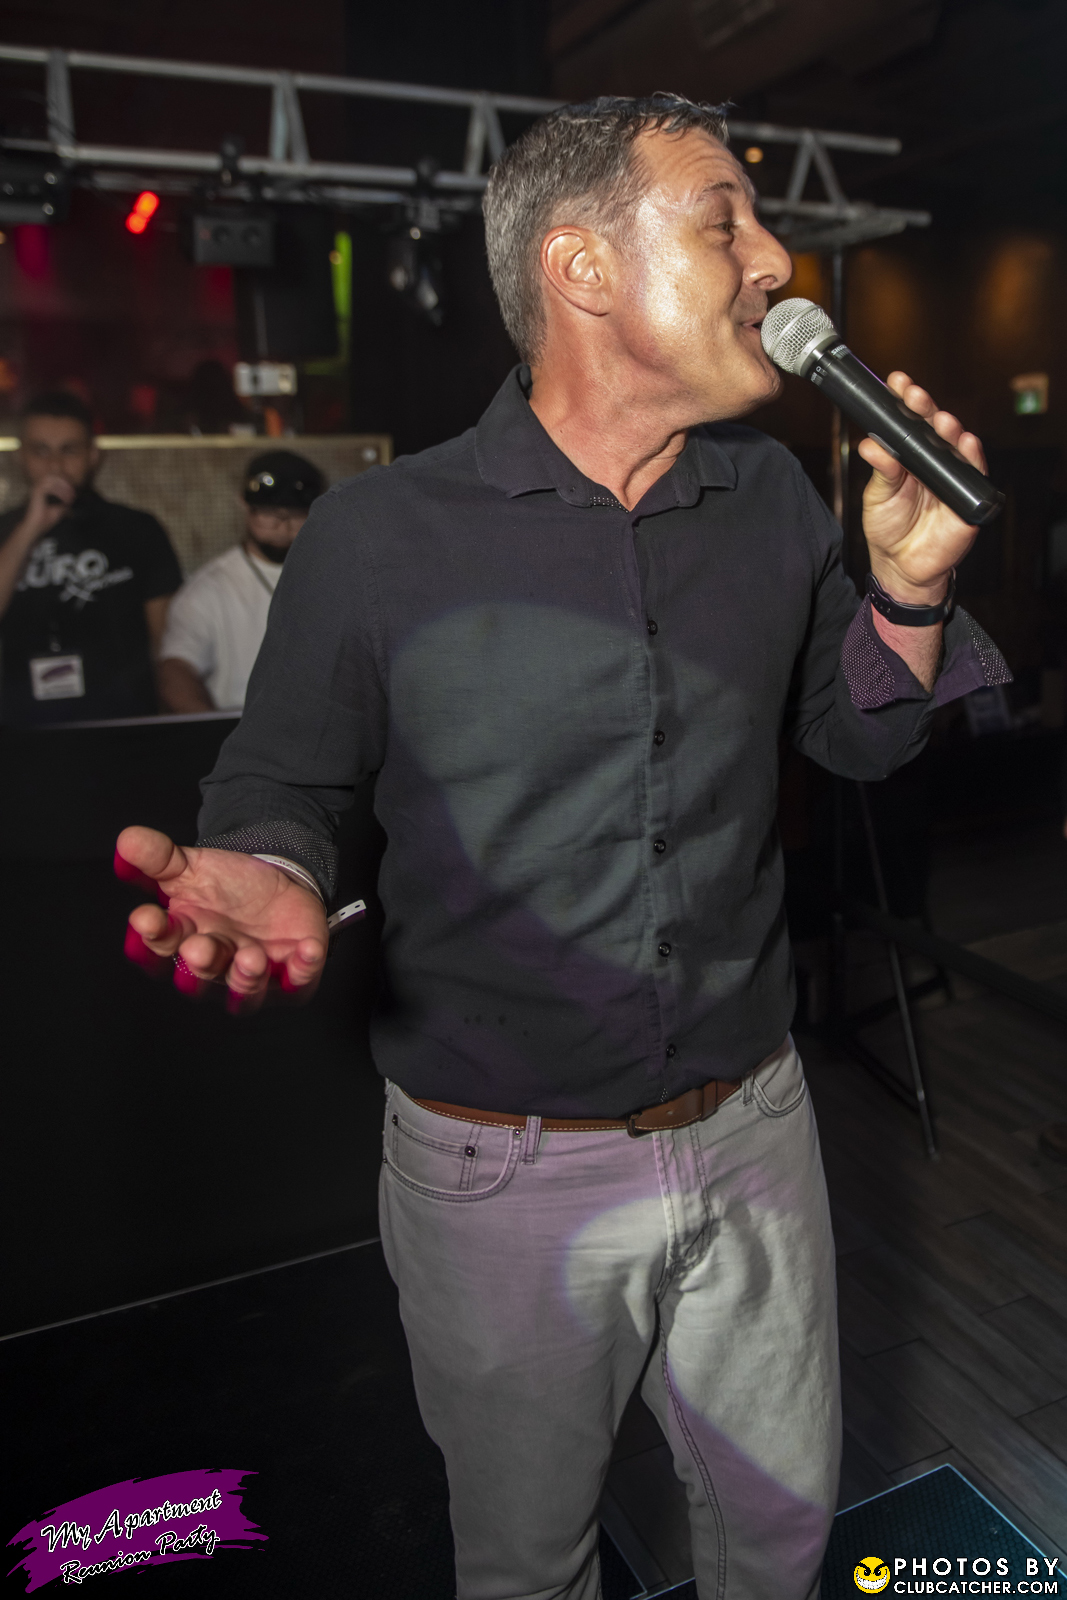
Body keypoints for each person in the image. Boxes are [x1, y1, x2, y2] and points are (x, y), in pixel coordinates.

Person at [117, 96, 1010, 1599]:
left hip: (753, 1128)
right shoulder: (378, 534)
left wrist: (908, 594)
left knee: (777, 1542)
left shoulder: (768, 497)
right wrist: (271, 864)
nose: (773, 260)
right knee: (529, 1566)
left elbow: (856, 738)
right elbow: (282, 779)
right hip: (501, 1173)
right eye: (722, 221)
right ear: (581, 268)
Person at [0, 391, 181, 725]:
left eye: (69, 450)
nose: (55, 465)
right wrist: (30, 529)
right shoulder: (6, 532)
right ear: (20, 457)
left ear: (93, 456)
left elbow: (168, 641)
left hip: (122, 725)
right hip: (22, 729)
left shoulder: (137, 529)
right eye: (41, 451)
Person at [157, 450, 325, 714]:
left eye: (296, 513)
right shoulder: (208, 590)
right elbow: (176, 668)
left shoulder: (343, 577)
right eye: (269, 512)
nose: (282, 525)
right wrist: (212, 731)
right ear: (244, 505)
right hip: (243, 727)